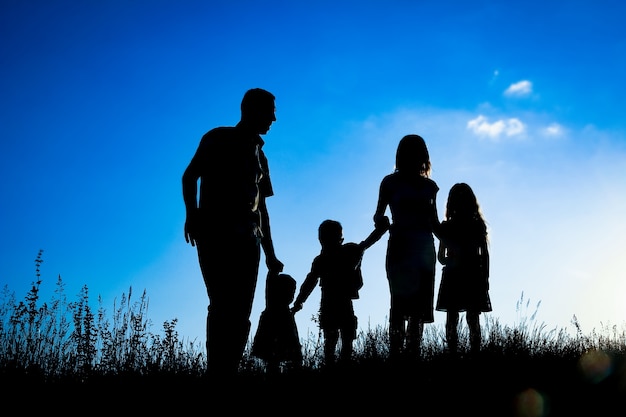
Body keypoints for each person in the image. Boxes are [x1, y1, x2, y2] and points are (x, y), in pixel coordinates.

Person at [182, 88, 284, 377]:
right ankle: (217, 371)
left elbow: (261, 209)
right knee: (221, 305)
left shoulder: (261, 156)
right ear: (250, 109)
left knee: (241, 313)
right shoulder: (217, 138)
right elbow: (190, 176)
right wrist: (192, 215)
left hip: (249, 242)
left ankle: (229, 371)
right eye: (270, 111)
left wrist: (271, 255)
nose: (274, 118)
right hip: (215, 235)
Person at [372, 134, 441, 360]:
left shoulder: (431, 187)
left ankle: (413, 353)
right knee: (400, 302)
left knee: (418, 307)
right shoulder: (390, 182)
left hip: (423, 248)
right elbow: (379, 214)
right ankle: (396, 353)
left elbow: (435, 223)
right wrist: (381, 223)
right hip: (401, 246)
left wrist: (458, 238)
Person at [291, 219, 388, 366]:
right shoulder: (342, 254)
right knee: (339, 338)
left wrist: (299, 302)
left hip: (333, 303)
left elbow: (309, 283)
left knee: (335, 339)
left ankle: (336, 365)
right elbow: (366, 243)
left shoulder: (327, 258)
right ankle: (341, 365)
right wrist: (299, 302)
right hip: (338, 303)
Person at [436, 182, 491, 354]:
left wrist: (452, 259)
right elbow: (485, 256)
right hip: (472, 274)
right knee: (470, 317)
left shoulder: (448, 226)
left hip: (458, 275)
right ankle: (472, 354)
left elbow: (441, 257)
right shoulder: (477, 226)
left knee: (455, 317)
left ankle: (454, 353)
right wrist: (485, 278)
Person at [251, 271, 302, 374]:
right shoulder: (273, 306)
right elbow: (270, 280)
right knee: (276, 358)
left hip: (278, 326)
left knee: (276, 360)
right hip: (275, 329)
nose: (292, 295)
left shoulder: (282, 310)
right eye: (291, 291)